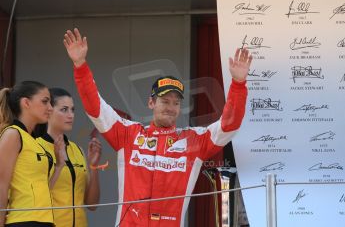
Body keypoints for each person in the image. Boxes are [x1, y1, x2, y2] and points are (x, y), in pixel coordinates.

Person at [63, 28, 252, 227]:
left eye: (176, 103)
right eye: (165, 101)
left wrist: (238, 84)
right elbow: (95, 108)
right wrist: (80, 65)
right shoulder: (128, 134)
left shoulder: (193, 141)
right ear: (151, 103)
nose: (171, 108)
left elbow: (229, 125)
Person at [35, 87, 102, 227]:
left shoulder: (78, 150)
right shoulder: (35, 148)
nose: (71, 115)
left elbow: (92, 205)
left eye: (72, 110)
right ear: (48, 111)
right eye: (64, 109)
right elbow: (35, 199)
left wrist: (93, 167)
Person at [0, 81, 54, 227]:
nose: (50, 108)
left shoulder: (33, 140)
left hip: (45, 221)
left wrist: (60, 164)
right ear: (26, 103)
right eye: (45, 102)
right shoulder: (13, 134)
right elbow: (1, 184)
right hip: (22, 221)